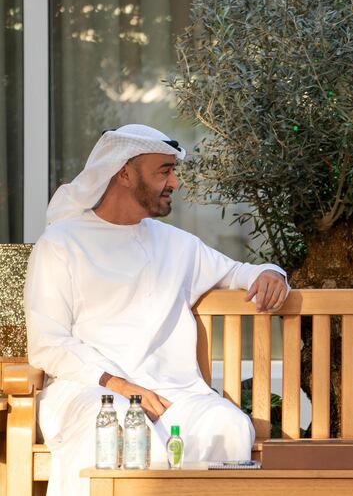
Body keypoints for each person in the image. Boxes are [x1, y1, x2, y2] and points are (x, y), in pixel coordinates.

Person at [25, 124, 291, 496]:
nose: (175, 183)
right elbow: (47, 343)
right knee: (120, 421)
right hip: (89, 392)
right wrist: (122, 386)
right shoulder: (61, 244)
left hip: (173, 395)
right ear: (124, 173)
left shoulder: (177, 244)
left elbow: (238, 272)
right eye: (164, 171)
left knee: (226, 424)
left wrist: (271, 273)